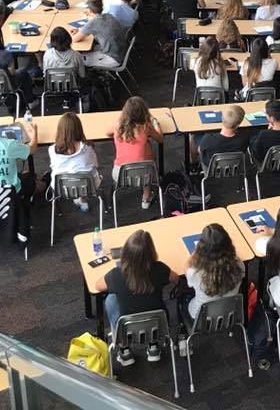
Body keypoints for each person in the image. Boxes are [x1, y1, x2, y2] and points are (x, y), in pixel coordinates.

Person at [95, 229, 174, 366]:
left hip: (127, 332)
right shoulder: (160, 269)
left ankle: (124, 351)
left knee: (110, 299)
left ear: (125, 253)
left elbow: (97, 286)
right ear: (151, 252)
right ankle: (153, 346)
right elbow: (177, 278)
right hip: (158, 327)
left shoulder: (116, 275)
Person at [183, 223, 245, 322]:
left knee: (182, 296)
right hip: (229, 314)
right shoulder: (239, 265)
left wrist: (194, 254)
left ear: (201, 249)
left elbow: (186, 267)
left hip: (201, 319)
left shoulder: (195, 272)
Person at [109, 97, 163, 209]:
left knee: (145, 151)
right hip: (145, 174)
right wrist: (155, 122)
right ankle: (146, 198)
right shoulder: (146, 127)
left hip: (120, 175)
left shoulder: (118, 126)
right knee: (149, 154)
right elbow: (160, 139)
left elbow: (107, 132)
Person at [48, 112, 100, 212]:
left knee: (73, 175)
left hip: (61, 188)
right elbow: (95, 164)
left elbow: (53, 166)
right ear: (79, 128)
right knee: (85, 175)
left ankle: (78, 198)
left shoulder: (52, 150)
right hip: (88, 187)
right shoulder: (88, 147)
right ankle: (82, 199)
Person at [71, 0, 128, 69]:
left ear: (90, 11)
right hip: (121, 51)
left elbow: (74, 39)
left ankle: (87, 74)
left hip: (113, 58)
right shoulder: (109, 15)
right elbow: (96, 26)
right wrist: (81, 30)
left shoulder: (93, 23)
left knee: (78, 58)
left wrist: (79, 31)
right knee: (92, 47)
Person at [248, 99, 280, 163]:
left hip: (268, 164)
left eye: (266, 114)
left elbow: (257, 154)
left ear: (272, 118)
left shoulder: (264, 134)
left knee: (252, 140)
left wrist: (268, 131)